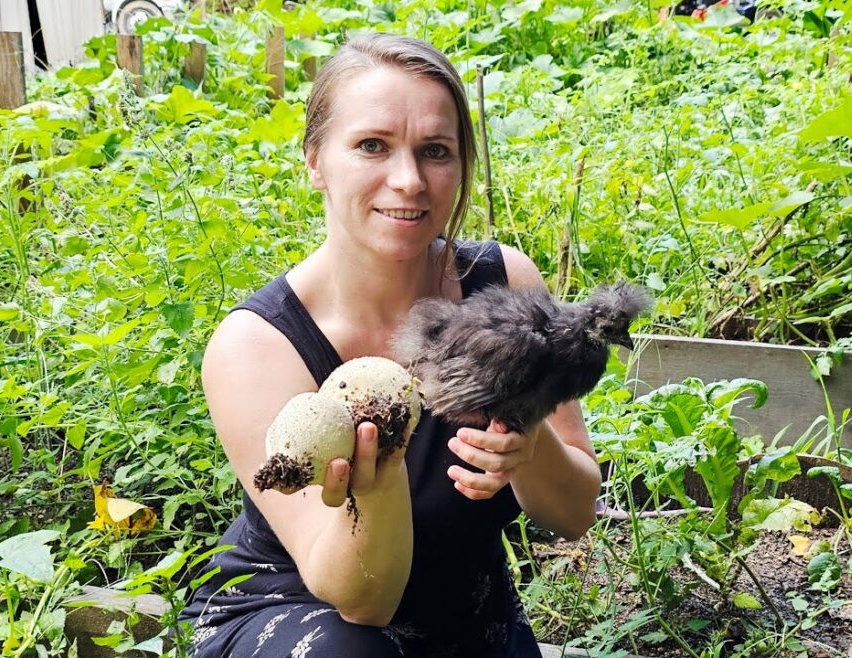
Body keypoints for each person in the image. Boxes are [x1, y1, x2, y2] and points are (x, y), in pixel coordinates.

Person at [179, 33, 601, 657]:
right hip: (303, 614)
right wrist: (378, 481)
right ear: (315, 160)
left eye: (435, 151)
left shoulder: (504, 286)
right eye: (372, 145)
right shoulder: (257, 345)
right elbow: (361, 600)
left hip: (466, 614)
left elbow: (574, 515)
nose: (408, 180)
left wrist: (529, 443)